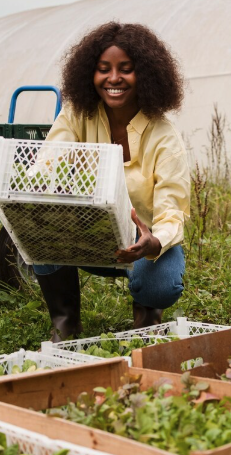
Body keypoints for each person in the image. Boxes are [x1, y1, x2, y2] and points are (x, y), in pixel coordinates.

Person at [33, 21, 190, 340]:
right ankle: (66, 321)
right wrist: (45, 185)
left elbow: (172, 212)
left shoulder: (164, 137)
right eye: (104, 68)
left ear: (144, 74)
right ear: (90, 74)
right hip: (88, 233)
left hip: (141, 240)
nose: (114, 78)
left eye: (126, 69)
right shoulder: (78, 115)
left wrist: (153, 242)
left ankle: (148, 308)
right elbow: (48, 163)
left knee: (161, 283)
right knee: (39, 226)